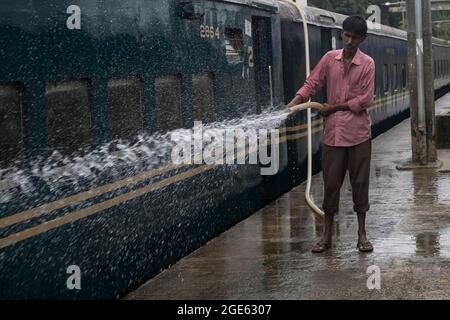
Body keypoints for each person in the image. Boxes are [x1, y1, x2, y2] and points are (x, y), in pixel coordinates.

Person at [287, 16, 375, 253]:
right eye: (346, 35)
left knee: (359, 183)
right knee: (331, 184)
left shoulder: (367, 64)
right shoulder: (328, 59)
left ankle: (362, 235)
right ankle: (326, 237)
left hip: (358, 134)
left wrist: (333, 108)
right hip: (333, 135)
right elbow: (311, 83)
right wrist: (292, 105)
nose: (348, 41)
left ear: (362, 39)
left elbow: (365, 99)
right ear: (342, 34)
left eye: (354, 37)